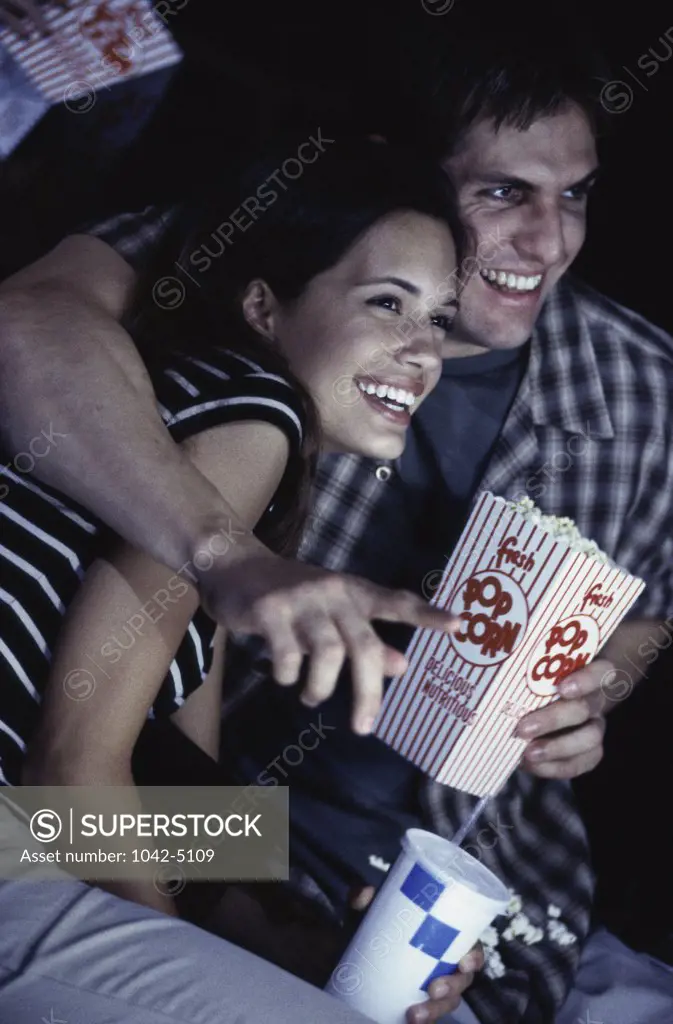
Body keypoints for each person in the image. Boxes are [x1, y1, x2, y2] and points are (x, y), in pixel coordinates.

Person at [1, 12, 673, 1024]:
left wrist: (290, 944)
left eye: (573, 196)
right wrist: (226, 552)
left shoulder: (631, 384)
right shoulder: (250, 414)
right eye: (502, 194)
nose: (548, 241)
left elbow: (184, 792)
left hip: (383, 855)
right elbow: (68, 775)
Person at [0, 139, 480, 1022]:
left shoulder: (249, 476)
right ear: (262, 305)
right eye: (387, 304)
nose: (423, 353)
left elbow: (187, 816)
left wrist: (308, 956)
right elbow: (66, 773)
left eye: (440, 320)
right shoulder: (253, 411)